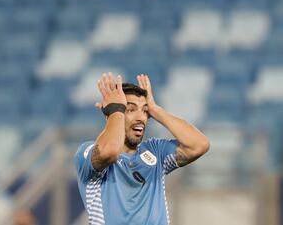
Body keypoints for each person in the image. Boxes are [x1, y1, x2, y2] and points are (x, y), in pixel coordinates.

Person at [74, 72, 210, 225]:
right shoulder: (87, 152)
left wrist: (156, 110)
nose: (140, 117)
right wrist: (116, 110)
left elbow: (200, 144)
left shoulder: (155, 151)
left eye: (144, 111)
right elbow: (110, 151)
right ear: (112, 115)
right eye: (130, 110)